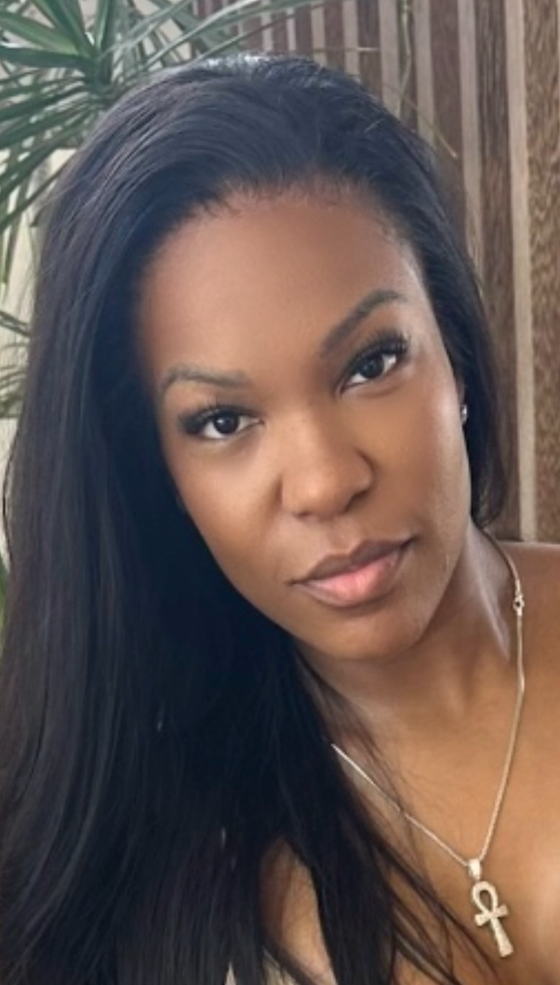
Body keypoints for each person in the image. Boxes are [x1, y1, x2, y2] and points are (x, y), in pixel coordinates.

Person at [0, 52, 558, 985]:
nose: (324, 482)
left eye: (372, 363)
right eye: (223, 421)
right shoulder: (137, 827)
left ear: (454, 351)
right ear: (162, 474)